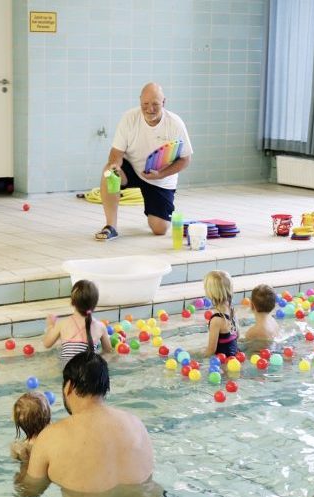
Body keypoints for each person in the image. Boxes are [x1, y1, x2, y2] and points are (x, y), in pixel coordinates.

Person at [17, 352, 164, 497]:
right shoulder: (134, 422)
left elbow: (29, 492)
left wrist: (24, 461)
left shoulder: (51, 436)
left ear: (68, 386)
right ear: (105, 388)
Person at [93, 82, 193, 241]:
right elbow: (116, 152)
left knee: (160, 229)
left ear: (164, 103)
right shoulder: (129, 118)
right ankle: (111, 226)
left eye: (155, 104)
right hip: (132, 168)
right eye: (145, 104)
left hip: (160, 178)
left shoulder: (174, 123)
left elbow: (186, 159)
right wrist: (115, 165)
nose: (150, 109)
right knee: (109, 173)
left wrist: (161, 174)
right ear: (140, 101)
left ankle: (158, 211)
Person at [43, 280, 112, 361]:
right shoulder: (101, 326)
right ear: (95, 304)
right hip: (92, 369)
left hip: (69, 369)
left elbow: (47, 344)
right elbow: (108, 351)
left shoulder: (62, 324)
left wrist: (50, 325)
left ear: (72, 302)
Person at [202, 270, 238, 357]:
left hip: (223, 360)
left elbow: (211, 350)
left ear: (210, 293)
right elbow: (237, 336)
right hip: (235, 354)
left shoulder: (216, 319)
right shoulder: (232, 310)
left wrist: (201, 358)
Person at [11, 391, 51, 463]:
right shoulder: (52, 441)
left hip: (25, 472)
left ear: (19, 423)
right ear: (47, 416)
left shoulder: (20, 448)